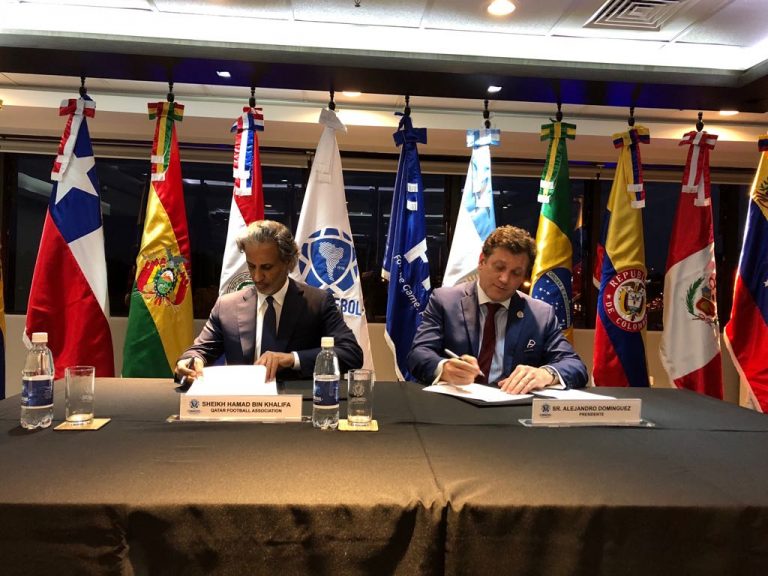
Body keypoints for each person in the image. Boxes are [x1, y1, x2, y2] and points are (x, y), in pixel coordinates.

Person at [175, 220, 363, 383]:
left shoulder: (317, 302)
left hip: (296, 409)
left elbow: (351, 354)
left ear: (288, 263)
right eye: (251, 266)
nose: (257, 277)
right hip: (239, 409)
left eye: (266, 267)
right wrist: (191, 360)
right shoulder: (227, 306)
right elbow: (200, 350)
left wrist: (292, 359)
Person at [407, 225, 587, 392]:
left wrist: (547, 374)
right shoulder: (445, 301)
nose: (504, 279)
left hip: (512, 409)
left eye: (516, 273)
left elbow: (574, 365)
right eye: (499, 267)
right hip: (456, 403)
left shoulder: (541, 314)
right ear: (482, 262)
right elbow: (418, 354)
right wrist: (444, 368)